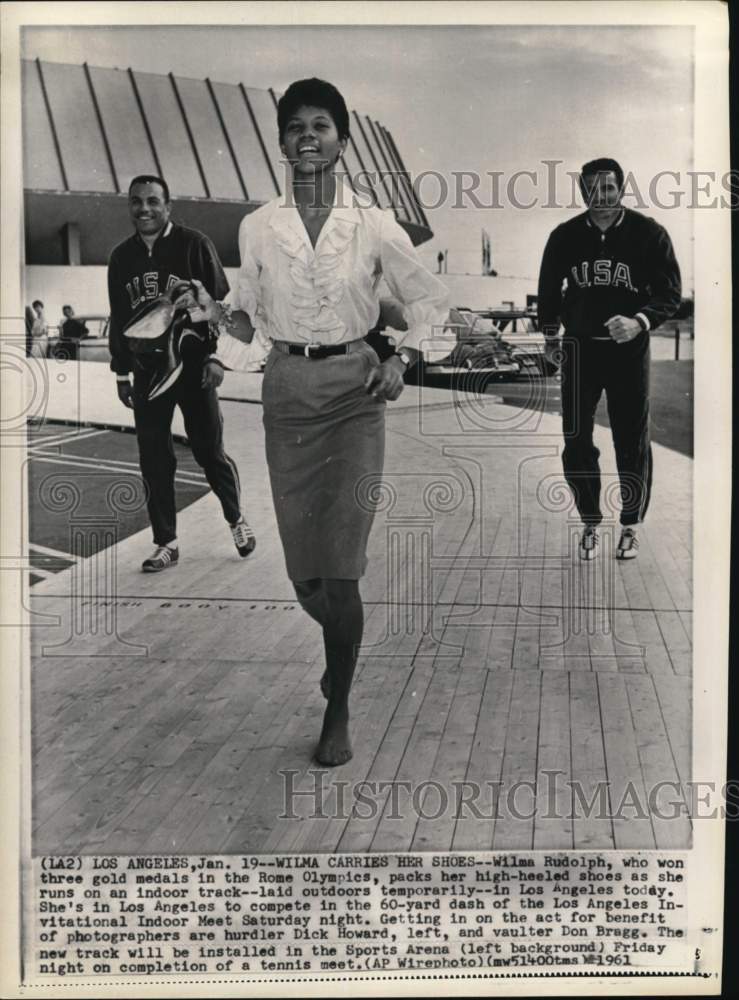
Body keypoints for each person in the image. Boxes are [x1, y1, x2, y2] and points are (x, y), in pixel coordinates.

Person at [185, 78, 451, 766]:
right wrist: (214, 319)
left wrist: (402, 359)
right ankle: (342, 650)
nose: (308, 136)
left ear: (341, 140)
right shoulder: (255, 225)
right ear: (280, 141)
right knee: (304, 577)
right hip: (287, 392)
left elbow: (428, 299)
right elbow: (246, 312)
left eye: (322, 125)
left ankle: (338, 706)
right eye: (296, 126)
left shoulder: (372, 220)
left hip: (356, 393)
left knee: (341, 568)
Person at [107, 174, 256, 573]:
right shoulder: (122, 258)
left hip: (194, 369)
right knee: (154, 459)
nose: (145, 209)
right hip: (148, 373)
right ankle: (166, 543)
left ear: (168, 206)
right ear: (130, 207)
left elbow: (223, 306)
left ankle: (236, 519)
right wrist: (121, 373)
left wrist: (217, 358)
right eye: (137, 202)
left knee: (208, 451)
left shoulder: (194, 244)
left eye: (153, 201)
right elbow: (119, 318)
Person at [537, 157, 681, 561]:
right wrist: (551, 337)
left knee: (630, 439)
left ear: (621, 189)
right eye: (592, 190)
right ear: (582, 191)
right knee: (576, 438)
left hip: (628, 350)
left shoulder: (650, 234)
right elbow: (548, 291)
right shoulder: (564, 236)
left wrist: (639, 321)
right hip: (580, 348)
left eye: (608, 189)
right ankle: (590, 520)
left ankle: (631, 525)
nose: (600, 198)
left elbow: (669, 294)